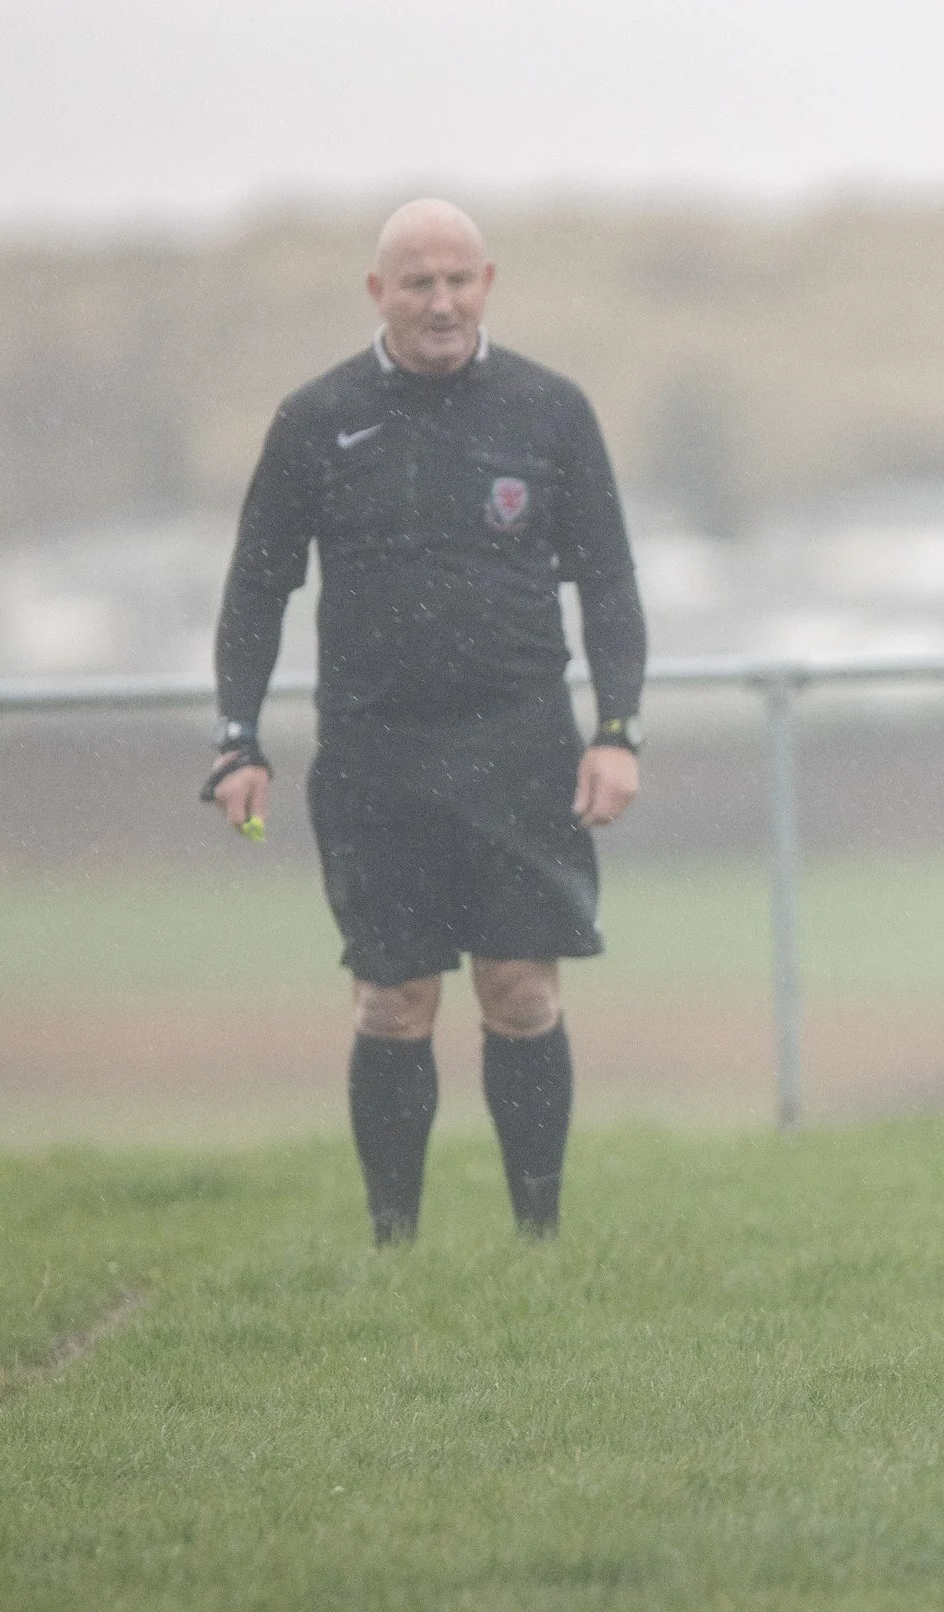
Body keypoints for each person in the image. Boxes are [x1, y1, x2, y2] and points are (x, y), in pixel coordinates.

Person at [204, 199, 647, 1245]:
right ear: (378, 293)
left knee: (520, 989)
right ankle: (392, 1243)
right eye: (417, 283)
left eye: (457, 281)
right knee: (393, 1000)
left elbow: (613, 587)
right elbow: (255, 589)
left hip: (520, 742)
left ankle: (538, 1237)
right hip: (373, 754)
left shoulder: (551, 409)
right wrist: (238, 738)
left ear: (486, 282)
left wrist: (617, 730)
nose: (439, 302)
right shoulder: (317, 419)